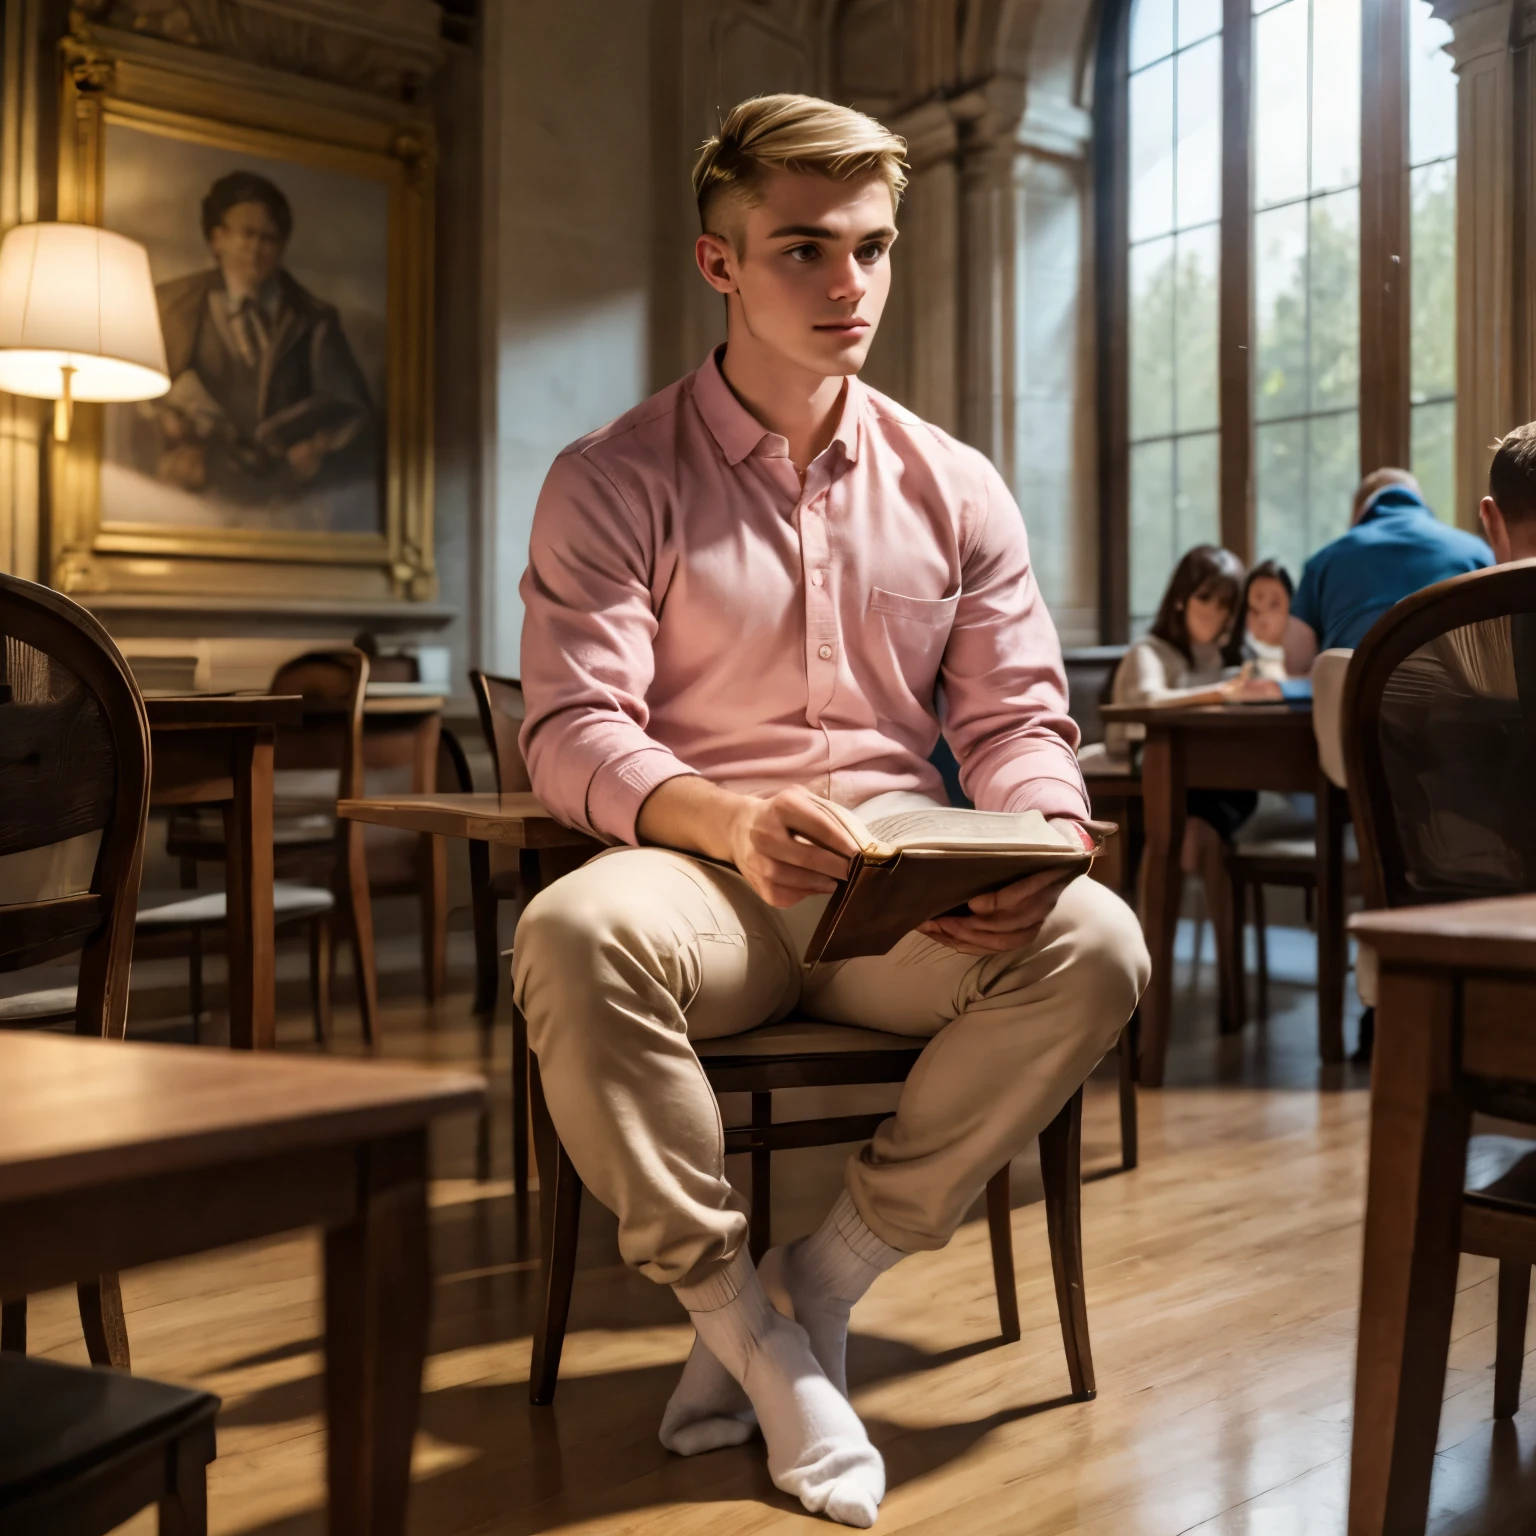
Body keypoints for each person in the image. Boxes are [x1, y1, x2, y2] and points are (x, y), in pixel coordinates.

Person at [511, 94, 1149, 1528]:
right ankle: (749, 1329)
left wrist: (1044, 841)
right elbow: (571, 729)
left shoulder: (960, 487)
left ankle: (829, 1274)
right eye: (804, 247)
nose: (848, 284)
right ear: (718, 262)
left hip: (896, 905)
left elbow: (1015, 723)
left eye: (871, 247)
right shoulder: (612, 479)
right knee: (569, 930)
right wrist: (725, 820)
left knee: (1101, 941)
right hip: (705, 882)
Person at [146, 170, 375, 503]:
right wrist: (171, 430)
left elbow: (353, 408)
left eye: (269, 238)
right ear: (217, 239)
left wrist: (318, 447)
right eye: (247, 234)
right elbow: (139, 400)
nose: (257, 248)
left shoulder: (314, 319)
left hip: (287, 498)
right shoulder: (173, 305)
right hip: (197, 495)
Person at [1105, 545, 1250, 1023]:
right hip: (1149, 794)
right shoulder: (1150, 652)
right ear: (1182, 598)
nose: (1217, 614)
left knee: (1212, 820)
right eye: (1208, 599)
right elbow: (1147, 698)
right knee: (1193, 831)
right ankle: (1152, 1006)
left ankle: (1229, 998)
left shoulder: (1229, 657)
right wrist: (1219, 693)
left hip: (1215, 789)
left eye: (1227, 605)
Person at [1251, 469, 1492, 700]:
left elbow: (1296, 663)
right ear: (1421, 503)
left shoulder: (1324, 561)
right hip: (1455, 721)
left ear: (1357, 515)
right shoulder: (1476, 552)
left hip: (1354, 725)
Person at [1224, 559, 1293, 682]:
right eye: (1254, 609)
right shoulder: (1236, 667)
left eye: (1274, 604)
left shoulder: (1304, 662)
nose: (1263, 615)